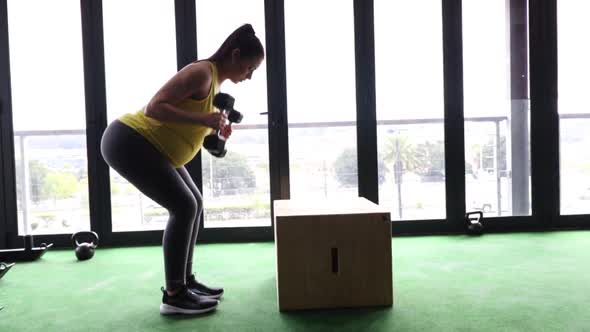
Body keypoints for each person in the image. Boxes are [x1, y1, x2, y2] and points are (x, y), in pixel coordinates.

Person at [100, 24, 264, 315]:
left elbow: (189, 126)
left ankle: (185, 282)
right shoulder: (201, 72)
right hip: (129, 140)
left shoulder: (216, 84)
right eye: (250, 68)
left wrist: (215, 130)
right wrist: (204, 121)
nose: (250, 76)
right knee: (184, 205)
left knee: (194, 202)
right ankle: (174, 295)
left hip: (156, 149)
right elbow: (154, 108)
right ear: (235, 55)